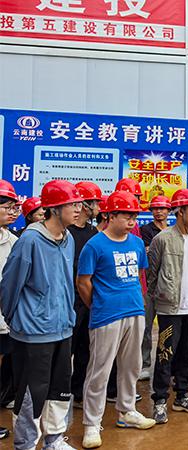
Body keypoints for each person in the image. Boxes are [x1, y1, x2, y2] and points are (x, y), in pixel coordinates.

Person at [1, 180, 82, 450]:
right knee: (30, 394)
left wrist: (67, 315)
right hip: (33, 333)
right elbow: (10, 285)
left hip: (63, 328)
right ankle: (26, 444)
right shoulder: (30, 240)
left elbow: (66, 282)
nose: (78, 209)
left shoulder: (68, 238)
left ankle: (54, 439)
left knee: (59, 390)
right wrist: (17, 319)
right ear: (54, 208)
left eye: (79, 204)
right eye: (72, 204)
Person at [77, 191, 155, 448]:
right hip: (106, 316)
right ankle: (91, 423)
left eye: (134, 216)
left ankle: (127, 411)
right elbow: (83, 282)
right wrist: (99, 305)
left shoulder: (136, 243)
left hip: (134, 312)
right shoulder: (95, 245)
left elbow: (139, 276)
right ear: (110, 215)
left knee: (131, 366)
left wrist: (138, 302)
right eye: (126, 215)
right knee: (99, 371)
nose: (132, 221)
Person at [147, 189, 188, 424]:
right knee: (165, 354)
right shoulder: (162, 239)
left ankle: (182, 395)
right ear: (180, 211)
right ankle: (160, 399)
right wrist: (156, 301)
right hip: (170, 308)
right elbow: (152, 275)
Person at [68, 181, 102, 408]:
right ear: (84, 204)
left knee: (85, 350)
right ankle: (57, 395)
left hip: (88, 300)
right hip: (69, 301)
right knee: (65, 351)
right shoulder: (66, 232)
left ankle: (78, 392)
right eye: (95, 202)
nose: (98, 207)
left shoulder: (93, 233)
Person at [139, 195, 171, 380]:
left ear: (169, 211)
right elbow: (148, 253)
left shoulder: (173, 231)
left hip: (167, 285)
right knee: (146, 327)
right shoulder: (145, 230)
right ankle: (144, 363)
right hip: (150, 284)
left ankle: (166, 364)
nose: (159, 212)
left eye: (162, 208)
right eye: (156, 208)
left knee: (168, 329)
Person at [0, 180, 20, 440]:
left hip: (4, 318)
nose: (13, 212)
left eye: (14, 207)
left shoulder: (13, 241)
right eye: (7, 206)